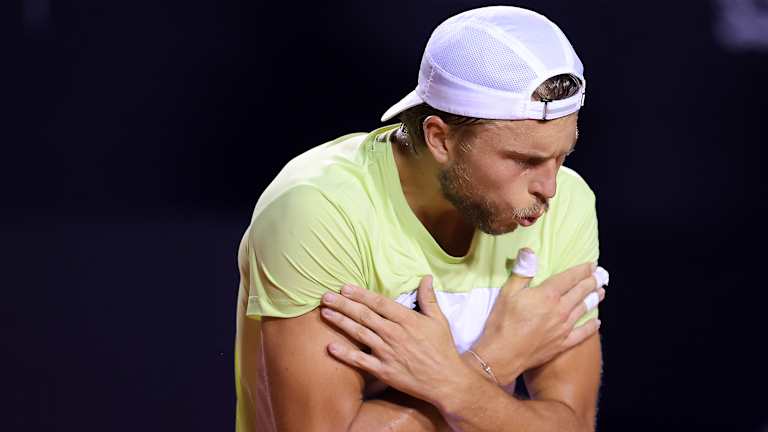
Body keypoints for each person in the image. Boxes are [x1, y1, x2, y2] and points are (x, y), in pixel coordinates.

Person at [235, 5, 609, 431]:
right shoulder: (320, 209)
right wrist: (494, 360)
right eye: (524, 160)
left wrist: (456, 383)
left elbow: (572, 425)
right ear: (440, 138)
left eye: (562, 156)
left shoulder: (568, 202)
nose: (550, 187)